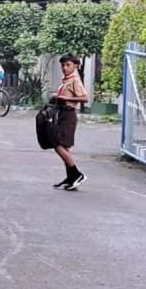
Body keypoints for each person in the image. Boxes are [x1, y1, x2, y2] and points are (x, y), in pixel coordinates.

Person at [51, 54, 90, 190]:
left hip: (68, 114)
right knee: (64, 147)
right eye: (63, 65)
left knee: (57, 144)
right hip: (62, 113)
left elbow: (85, 98)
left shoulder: (75, 80)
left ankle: (76, 174)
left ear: (75, 66)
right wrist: (57, 97)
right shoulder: (66, 80)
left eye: (68, 65)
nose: (65, 68)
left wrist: (63, 98)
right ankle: (70, 177)